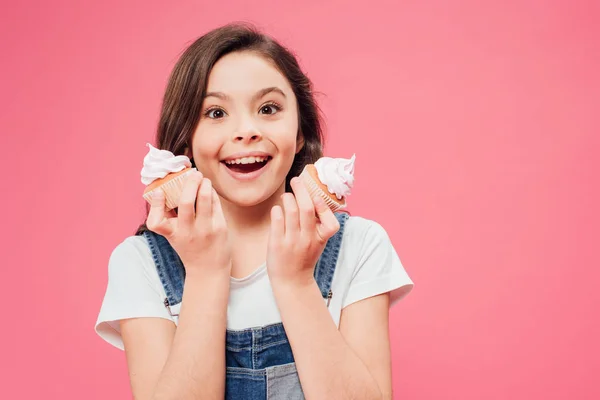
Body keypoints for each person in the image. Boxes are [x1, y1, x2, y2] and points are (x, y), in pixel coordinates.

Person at [95, 22, 413, 400]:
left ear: (298, 135)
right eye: (215, 113)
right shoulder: (140, 264)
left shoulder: (359, 246)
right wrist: (205, 272)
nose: (246, 131)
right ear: (187, 139)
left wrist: (296, 283)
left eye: (268, 108)